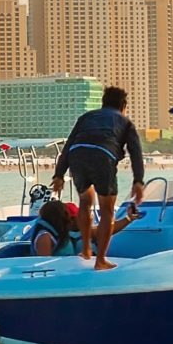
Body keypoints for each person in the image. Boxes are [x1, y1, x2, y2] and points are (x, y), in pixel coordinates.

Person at [48, 86, 147, 270]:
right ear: (123, 105)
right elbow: (135, 153)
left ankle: (86, 249)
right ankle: (100, 259)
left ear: (103, 103)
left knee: (85, 200)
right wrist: (138, 181)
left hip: (77, 154)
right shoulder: (125, 122)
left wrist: (59, 175)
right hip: (103, 157)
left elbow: (69, 145)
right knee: (107, 210)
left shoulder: (86, 117)